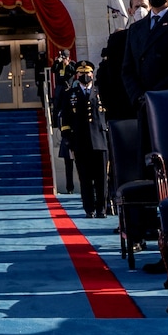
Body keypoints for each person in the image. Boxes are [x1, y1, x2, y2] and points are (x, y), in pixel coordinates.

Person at [53, 59, 108, 217]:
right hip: (80, 142)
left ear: (92, 74)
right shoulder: (70, 94)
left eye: (88, 73)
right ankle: (89, 209)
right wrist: (67, 138)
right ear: (77, 75)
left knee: (101, 178)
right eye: (82, 73)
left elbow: (107, 116)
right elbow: (65, 118)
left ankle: (101, 209)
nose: (85, 76)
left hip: (100, 141)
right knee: (85, 178)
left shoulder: (100, 92)